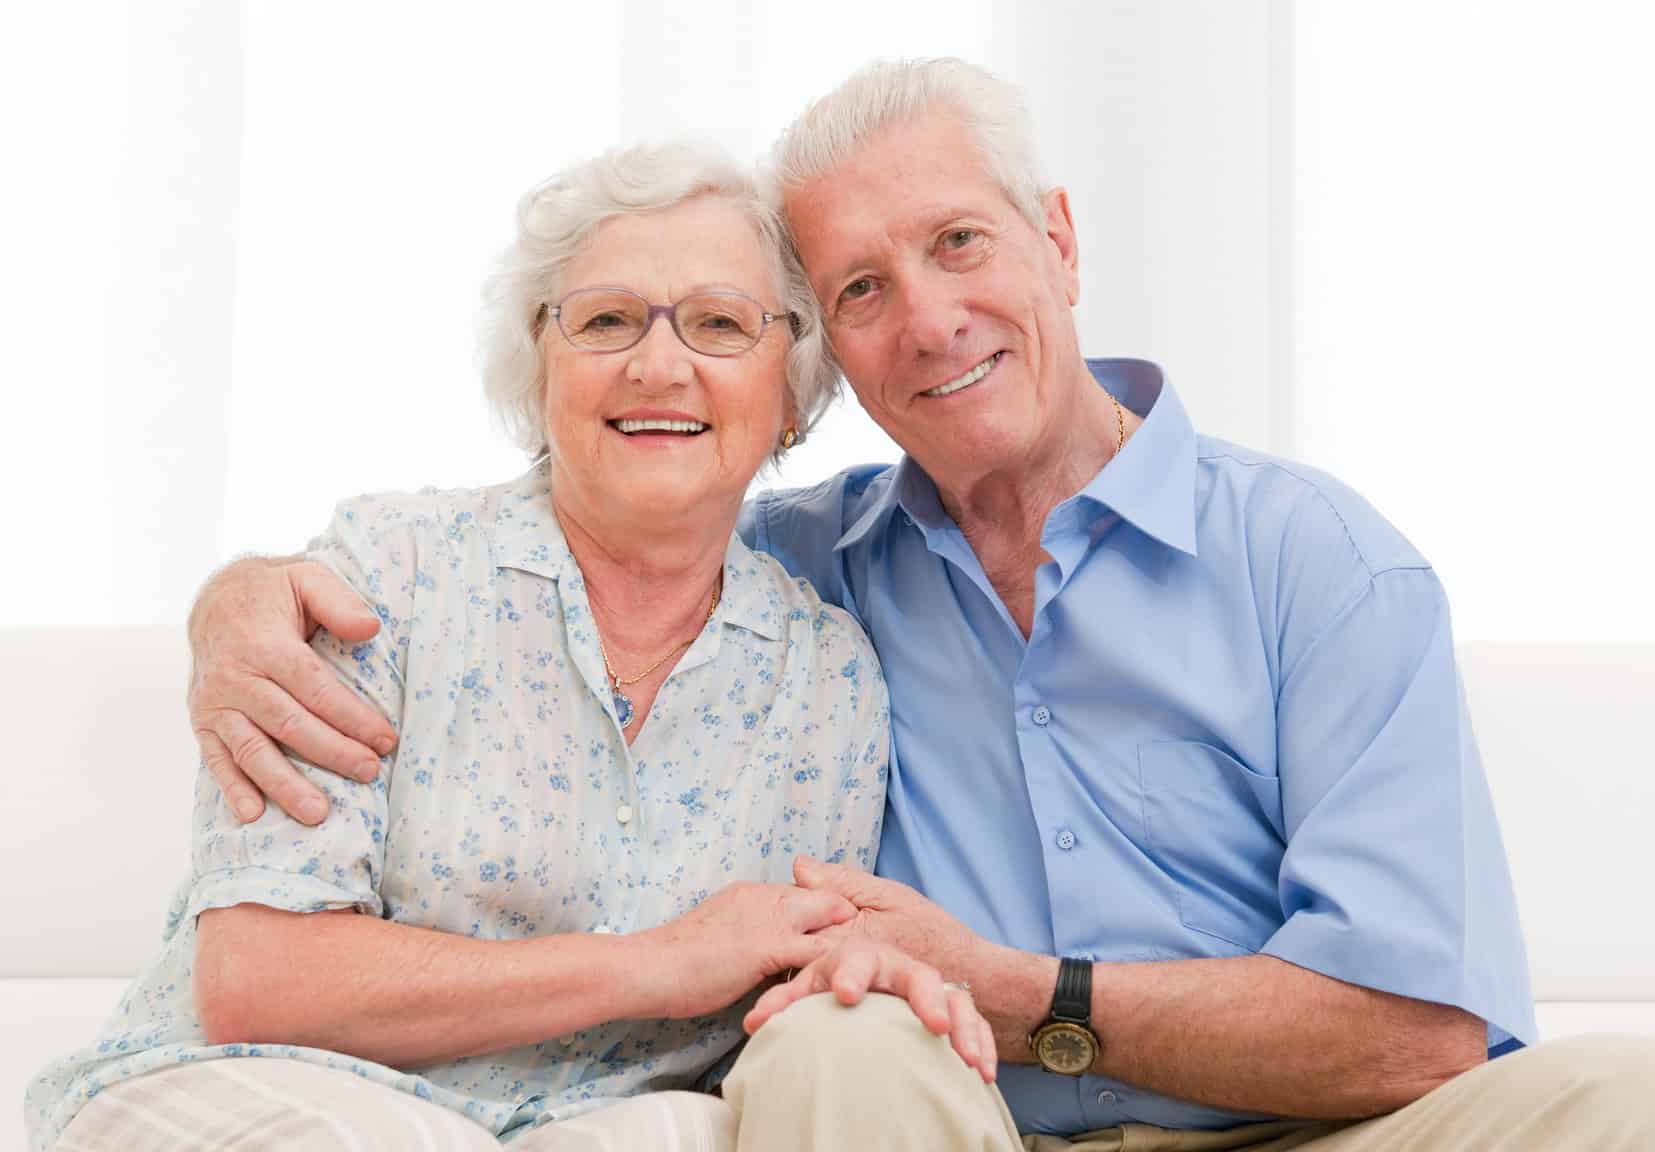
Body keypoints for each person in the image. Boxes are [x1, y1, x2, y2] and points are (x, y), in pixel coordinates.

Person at [183, 59, 1655, 1151]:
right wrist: (241, 602)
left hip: (1320, 1137)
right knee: (832, 1048)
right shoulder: (797, 578)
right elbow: (605, 515)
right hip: (957, 1129)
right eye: (862, 288)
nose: (929, 319)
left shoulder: (1315, 562)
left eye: (958, 242)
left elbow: (1414, 1035)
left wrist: (1022, 991)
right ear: (824, 357)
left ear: (1056, 243)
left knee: (1624, 1098)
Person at [26, 140, 1007, 1152]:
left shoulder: (827, 677)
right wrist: (658, 963)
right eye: (606, 320)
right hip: (262, 1095)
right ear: (537, 371)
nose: (657, 364)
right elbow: (255, 981)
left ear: (792, 395)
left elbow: (792, 987)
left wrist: (867, 969)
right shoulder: (383, 576)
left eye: (719, 324)